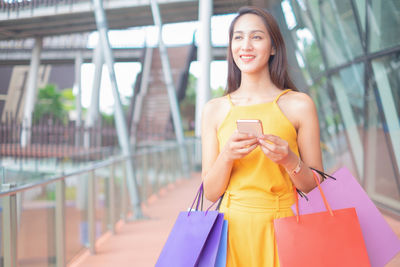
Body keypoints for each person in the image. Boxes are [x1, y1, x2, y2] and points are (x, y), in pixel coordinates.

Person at [201, 6, 323, 267]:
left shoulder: (299, 104)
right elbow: (210, 193)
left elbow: (316, 185)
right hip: (232, 230)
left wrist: (289, 159)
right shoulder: (214, 109)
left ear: (274, 47)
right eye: (238, 37)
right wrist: (227, 157)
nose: (246, 45)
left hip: (286, 226)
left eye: (256, 37)